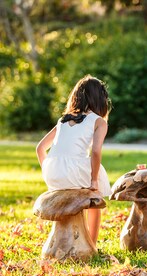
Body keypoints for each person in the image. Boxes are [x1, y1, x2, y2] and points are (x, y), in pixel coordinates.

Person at [36, 74, 112, 245]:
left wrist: (48, 172)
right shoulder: (99, 121)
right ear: (101, 99)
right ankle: (91, 244)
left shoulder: (64, 120)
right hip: (72, 171)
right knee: (95, 199)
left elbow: (40, 148)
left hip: (52, 172)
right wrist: (93, 181)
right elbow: (96, 151)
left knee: (86, 182)